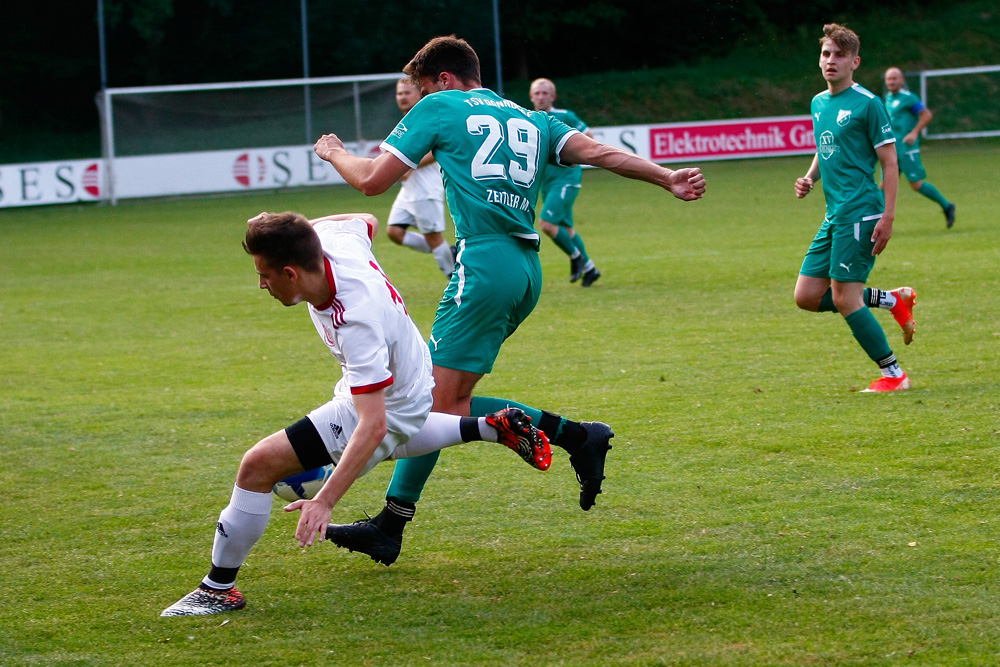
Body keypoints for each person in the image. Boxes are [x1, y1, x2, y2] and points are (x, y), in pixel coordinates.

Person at [313, 35, 705, 566]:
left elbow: (370, 183)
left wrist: (334, 151)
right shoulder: (528, 117)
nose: (419, 97)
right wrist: (664, 176)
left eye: (423, 87)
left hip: (485, 266)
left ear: (443, 80)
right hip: (525, 269)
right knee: (442, 401)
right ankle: (392, 522)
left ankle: (576, 437)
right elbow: (597, 151)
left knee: (431, 401)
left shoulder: (440, 105)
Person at [161, 211, 552, 616]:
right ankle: (491, 428)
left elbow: (375, 423)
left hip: (392, 397)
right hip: (413, 375)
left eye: (265, 274)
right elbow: (366, 219)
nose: (261, 283)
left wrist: (326, 501)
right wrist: (287, 227)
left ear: (291, 274)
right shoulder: (332, 239)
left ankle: (217, 589)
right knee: (389, 433)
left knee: (258, 466)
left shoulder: (355, 320)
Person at [794, 24, 917, 393]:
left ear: (855, 62)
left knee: (845, 297)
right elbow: (825, 145)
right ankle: (892, 299)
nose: (831, 61)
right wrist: (811, 177)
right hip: (835, 212)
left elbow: (890, 163)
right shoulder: (818, 103)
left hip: (862, 210)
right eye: (826, 54)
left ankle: (895, 375)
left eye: (839, 55)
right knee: (807, 296)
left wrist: (888, 216)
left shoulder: (868, 104)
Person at [529, 77, 600, 286]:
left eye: (545, 93)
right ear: (531, 97)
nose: (541, 97)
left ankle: (576, 256)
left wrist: (574, 158)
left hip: (566, 179)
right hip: (547, 182)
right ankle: (590, 269)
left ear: (553, 96)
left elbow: (589, 137)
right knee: (566, 229)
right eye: (537, 93)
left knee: (547, 224)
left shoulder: (564, 116)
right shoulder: (530, 118)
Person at [385, 78, 456, 277]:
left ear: (419, 94)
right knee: (394, 232)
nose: (403, 97)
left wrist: (408, 166)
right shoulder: (406, 120)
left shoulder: (428, 117)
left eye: (407, 93)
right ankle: (447, 252)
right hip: (409, 189)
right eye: (400, 93)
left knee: (433, 237)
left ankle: (453, 277)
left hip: (426, 188)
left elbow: (438, 150)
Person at [883, 67, 956, 228]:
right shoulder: (888, 98)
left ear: (902, 80)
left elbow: (926, 114)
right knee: (884, 185)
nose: (891, 82)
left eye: (895, 78)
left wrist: (914, 133)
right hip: (892, 149)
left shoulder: (909, 98)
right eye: (889, 79)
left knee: (916, 184)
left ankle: (947, 206)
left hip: (907, 148)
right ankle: (876, 223)